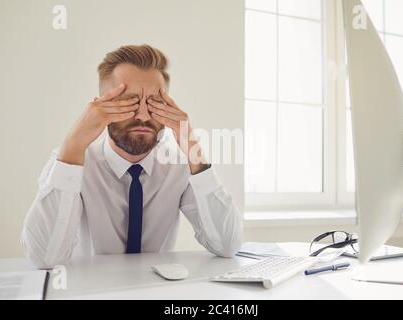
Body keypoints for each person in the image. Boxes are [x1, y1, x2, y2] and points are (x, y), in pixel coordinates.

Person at [21, 44, 243, 268]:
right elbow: (44, 258)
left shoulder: (180, 166)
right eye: (130, 101)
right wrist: (74, 141)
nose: (144, 115)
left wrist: (192, 145)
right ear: (100, 106)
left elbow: (227, 245)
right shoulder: (70, 162)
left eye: (155, 103)